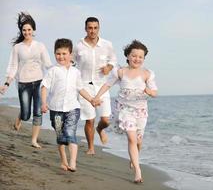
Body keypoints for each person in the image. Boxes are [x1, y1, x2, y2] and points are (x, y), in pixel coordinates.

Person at [93, 40, 158, 183]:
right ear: (128, 56)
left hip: (140, 111)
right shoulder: (121, 71)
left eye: (140, 57)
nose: (137, 59)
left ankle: (134, 158)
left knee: (138, 141)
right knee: (131, 138)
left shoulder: (147, 74)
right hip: (124, 109)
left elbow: (155, 93)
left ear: (144, 58)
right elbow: (107, 84)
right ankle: (138, 171)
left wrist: (149, 91)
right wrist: (97, 96)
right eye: (134, 55)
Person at [41, 38, 95, 171]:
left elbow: (81, 89)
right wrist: (43, 103)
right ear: (55, 54)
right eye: (58, 54)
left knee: (70, 133)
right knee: (60, 137)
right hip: (56, 109)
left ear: (70, 54)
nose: (61, 57)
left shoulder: (76, 72)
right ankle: (64, 161)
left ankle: (73, 162)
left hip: (73, 108)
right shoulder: (53, 71)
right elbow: (44, 87)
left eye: (64, 54)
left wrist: (91, 100)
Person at [0, 12, 52, 148]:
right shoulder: (17, 48)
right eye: (24, 30)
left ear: (33, 30)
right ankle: (20, 116)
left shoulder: (40, 46)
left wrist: (59, 71)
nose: (27, 32)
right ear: (21, 31)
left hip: (39, 82)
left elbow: (48, 64)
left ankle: (34, 140)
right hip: (23, 83)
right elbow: (13, 66)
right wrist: (6, 83)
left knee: (38, 112)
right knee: (26, 115)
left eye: (29, 29)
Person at [73, 16, 117, 155]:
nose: (92, 31)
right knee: (89, 120)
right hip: (85, 86)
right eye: (90, 28)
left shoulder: (107, 45)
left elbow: (114, 60)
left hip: (101, 86)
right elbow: (72, 62)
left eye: (95, 28)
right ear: (86, 29)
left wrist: (109, 68)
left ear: (99, 28)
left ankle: (100, 129)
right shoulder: (78, 45)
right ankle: (91, 148)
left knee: (105, 119)